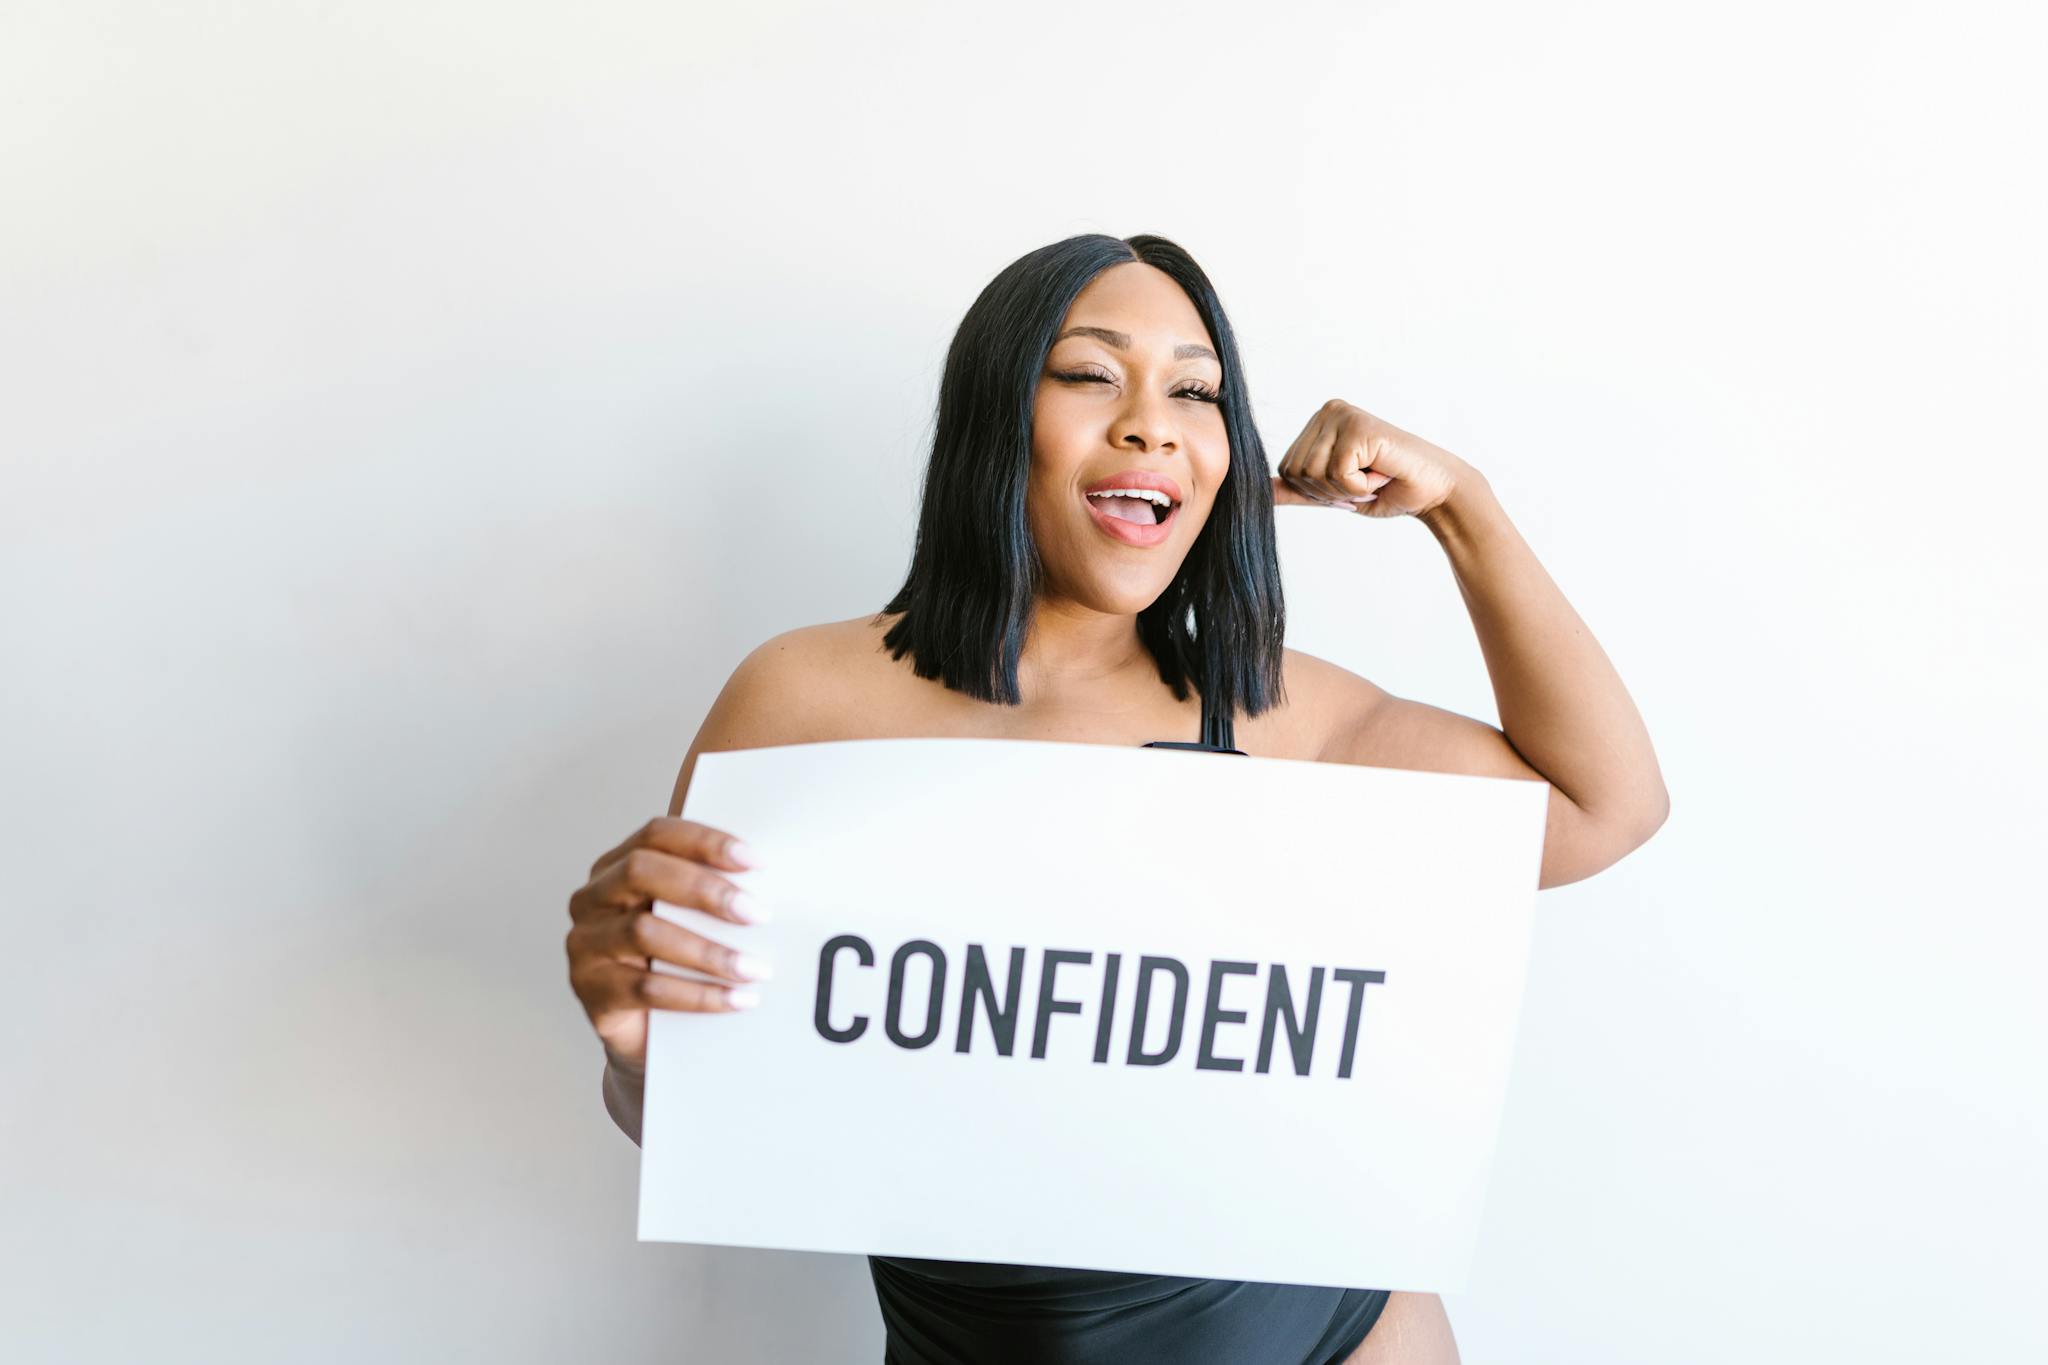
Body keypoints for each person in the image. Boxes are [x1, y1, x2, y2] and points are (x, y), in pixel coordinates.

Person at [564, 233, 1671, 1363]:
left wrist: (1462, 510)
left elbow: (1601, 807)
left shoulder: (1278, 718)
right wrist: (640, 1056)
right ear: (995, 419)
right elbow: (716, 1122)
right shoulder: (802, 699)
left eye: (1196, 392)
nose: (1151, 421)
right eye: (1092, 374)